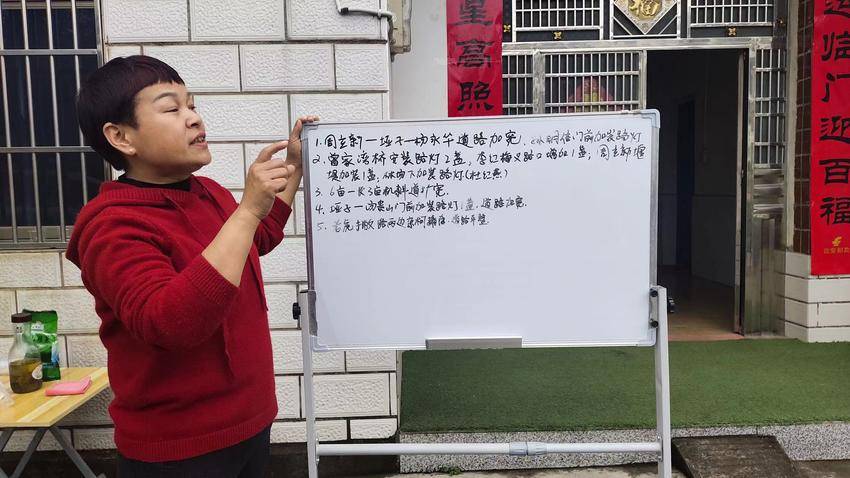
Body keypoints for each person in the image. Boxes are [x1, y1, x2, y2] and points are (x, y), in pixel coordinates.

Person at [66, 55, 316, 477]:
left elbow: (259, 237)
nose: (194, 118)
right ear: (120, 137)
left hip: (251, 423)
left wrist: (294, 168)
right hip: (176, 449)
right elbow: (170, 323)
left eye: (192, 104)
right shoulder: (111, 225)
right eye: (171, 108)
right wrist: (246, 211)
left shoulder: (208, 193)